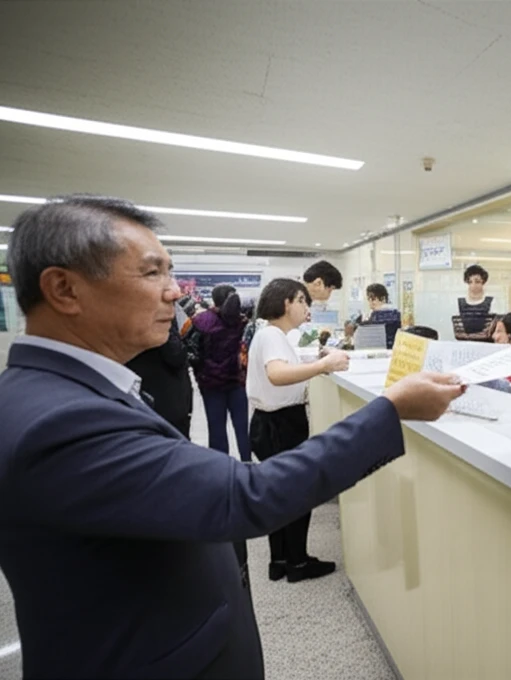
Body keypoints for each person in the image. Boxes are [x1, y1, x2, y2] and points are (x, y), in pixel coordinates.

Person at [0, 196, 465, 679]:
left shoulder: (56, 391)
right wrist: (391, 411)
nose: (174, 290)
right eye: (152, 273)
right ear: (64, 289)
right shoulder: (59, 421)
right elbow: (248, 494)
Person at [246, 278, 352, 583]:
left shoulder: (274, 334)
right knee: (296, 493)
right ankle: (298, 562)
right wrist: (323, 366)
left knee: (277, 493)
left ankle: (280, 560)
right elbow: (277, 375)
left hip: (269, 422)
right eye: (302, 301)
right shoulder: (272, 335)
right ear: (285, 304)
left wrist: (318, 359)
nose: (307, 307)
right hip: (281, 423)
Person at [192, 284, 251, 461]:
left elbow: (194, 353)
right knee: (243, 429)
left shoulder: (201, 321)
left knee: (216, 429)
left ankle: (220, 469)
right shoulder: (241, 321)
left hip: (210, 384)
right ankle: (248, 464)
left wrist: (200, 374)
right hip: (237, 382)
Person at [125, 313, 193, 437]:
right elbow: (175, 355)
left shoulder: (127, 319)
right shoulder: (159, 321)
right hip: (167, 402)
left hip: (141, 400)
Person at [357, 282, 402, 349]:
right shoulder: (397, 314)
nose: (370, 303)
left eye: (373, 299)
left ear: (383, 299)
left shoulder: (375, 316)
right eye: (368, 299)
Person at [457, 263, 494, 337]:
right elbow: (457, 329)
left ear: (483, 282)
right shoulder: (459, 302)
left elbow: (494, 327)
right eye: (470, 282)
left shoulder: (492, 301)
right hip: (464, 342)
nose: (473, 285)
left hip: (486, 343)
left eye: (477, 282)